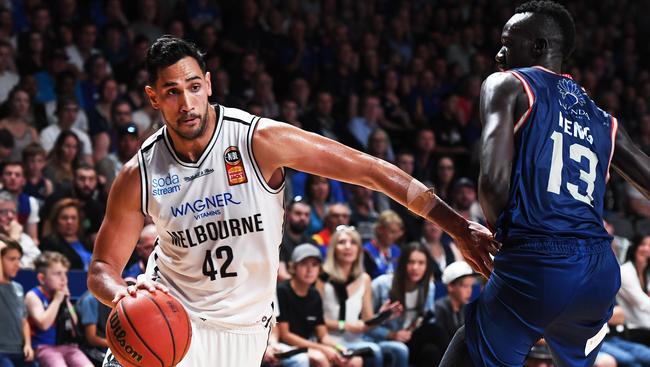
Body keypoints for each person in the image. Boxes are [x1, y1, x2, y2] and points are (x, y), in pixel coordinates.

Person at [87, 36, 495, 367]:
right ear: (153, 97)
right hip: (167, 320)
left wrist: (458, 227)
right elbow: (103, 268)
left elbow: (370, 170)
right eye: (172, 92)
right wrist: (121, 294)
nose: (187, 103)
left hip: (242, 335)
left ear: (208, 84)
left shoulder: (258, 141)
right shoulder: (138, 173)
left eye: (194, 87)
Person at [439, 2, 650, 366]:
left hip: (539, 258)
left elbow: (492, 181)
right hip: (600, 273)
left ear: (537, 47)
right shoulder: (602, 119)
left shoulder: (508, 84)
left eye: (508, 42)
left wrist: (503, 245)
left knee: (466, 354)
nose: (499, 53)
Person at [317, 226, 404, 367]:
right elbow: (316, 319)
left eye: (353, 242)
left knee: (399, 350)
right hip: (328, 338)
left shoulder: (364, 279)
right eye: (342, 242)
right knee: (373, 352)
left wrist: (382, 316)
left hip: (355, 340)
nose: (347, 247)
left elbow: (366, 322)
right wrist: (345, 325)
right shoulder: (322, 277)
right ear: (333, 248)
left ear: (358, 249)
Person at [277, 243, 362, 367]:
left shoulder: (314, 294)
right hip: (285, 345)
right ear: (293, 267)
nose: (310, 269)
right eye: (304, 264)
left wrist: (339, 348)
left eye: (314, 265)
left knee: (354, 360)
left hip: (310, 344)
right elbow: (285, 335)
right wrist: (322, 349)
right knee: (320, 358)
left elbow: (323, 335)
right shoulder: (282, 290)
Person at [369, 242, 437, 367]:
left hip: (412, 336)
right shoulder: (381, 284)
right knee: (435, 332)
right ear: (402, 264)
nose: (415, 268)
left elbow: (428, 319)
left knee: (431, 351)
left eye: (421, 263)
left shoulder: (429, 287)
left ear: (427, 266)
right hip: (385, 338)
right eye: (410, 262)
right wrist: (391, 335)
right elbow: (366, 324)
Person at [25, 251, 93, 367]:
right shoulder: (33, 296)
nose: (63, 279)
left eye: (65, 273)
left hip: (67, 346)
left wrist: (66, 301)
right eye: (57, 274)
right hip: (44, 347)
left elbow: (74, 322)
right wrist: (57, 300)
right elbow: (43, 324)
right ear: (42, 278)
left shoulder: (61, 296)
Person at [0, 236, 36, 367]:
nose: (17, 264)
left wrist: (27, 345)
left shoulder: (18, 288)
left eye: (18, 259)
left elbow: (24, 320)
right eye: (11, 259)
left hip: (19, 350)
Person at [616, 235, 650, 346]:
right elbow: (643, 304)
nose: (646, 249)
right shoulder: (625, 272)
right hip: (631, 328)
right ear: (635, 247)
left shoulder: (647, 272)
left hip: (645, 326)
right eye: (643, 244)